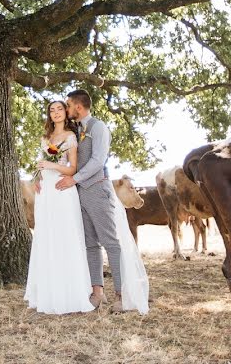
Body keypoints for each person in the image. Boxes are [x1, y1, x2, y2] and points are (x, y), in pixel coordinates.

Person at [58, 89, 149, 314]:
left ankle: (121, 294)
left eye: (68, 105)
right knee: (90, 244)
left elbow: (98, 160)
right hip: (79, 194)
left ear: (78, 107)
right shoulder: (75, 131)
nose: (66, 109)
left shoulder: (98, 128)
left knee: (111, 243)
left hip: (98, 190)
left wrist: (75, 179)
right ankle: (98, 293)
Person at [24, 101, 95, 314]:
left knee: (65, 237)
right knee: (47, 237)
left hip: (62, 191)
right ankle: (48, 291)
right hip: (45, 191)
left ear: (66, 112)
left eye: (59, 109)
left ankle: (70, 293)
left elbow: (72, 168)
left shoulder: (71, 137)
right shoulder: (45, 139)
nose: (55, 113)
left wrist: (52, 166)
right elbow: (41, 163)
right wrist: (37, 177)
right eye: (51, 110)